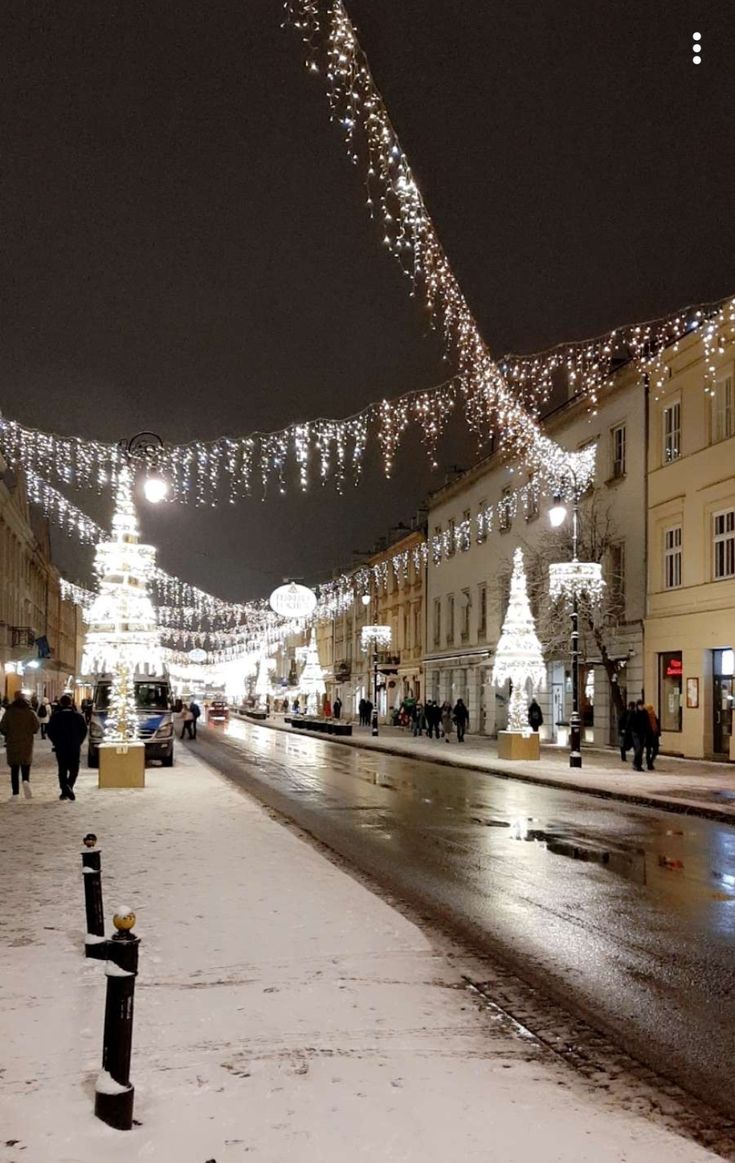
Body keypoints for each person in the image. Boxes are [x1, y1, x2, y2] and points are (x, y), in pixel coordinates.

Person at [46, 693, 88, 801]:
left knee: (62, 768)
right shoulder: (78, 717)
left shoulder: (56, 717)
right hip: (74, 746)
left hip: (61, 747)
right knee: (74, 768)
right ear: (71, 703)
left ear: (60, 703)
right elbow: (84, 731)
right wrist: (78, 741)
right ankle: (69, 786)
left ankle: (64, 790)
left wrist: (56, 742)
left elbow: (50, 731)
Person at [0, 691, 40, 798]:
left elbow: (2, 727)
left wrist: (8, 733)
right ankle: (26, 781)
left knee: (14, 769)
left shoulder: (9, 712)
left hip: (13, 743)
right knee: (26, 765)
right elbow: (36, 727)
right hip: (27, 743)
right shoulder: (30, 712)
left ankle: (15, 793)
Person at [629, 700, 652, 772]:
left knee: (641, 749)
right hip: (635, 733)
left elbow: (648, 723)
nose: (641, 707)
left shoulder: (645, 713)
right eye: (640, 705)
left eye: (642, 705)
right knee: (638, 748)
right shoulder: (634, 712)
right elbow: (629, 723)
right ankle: (636, 764)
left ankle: (638, 764)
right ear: (637, 706)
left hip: (643, 733)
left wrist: (648, 732)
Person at [644, 703, 661, 770]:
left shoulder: (654, 715)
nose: (651, 710)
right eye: (650, 709)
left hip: (655, 735)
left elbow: (657, 724)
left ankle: (650, 762)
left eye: (652, 708)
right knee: (648, 750)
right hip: (648, 736)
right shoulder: (645, 716)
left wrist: (658, 733)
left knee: (656, 750)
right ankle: (649, 764)